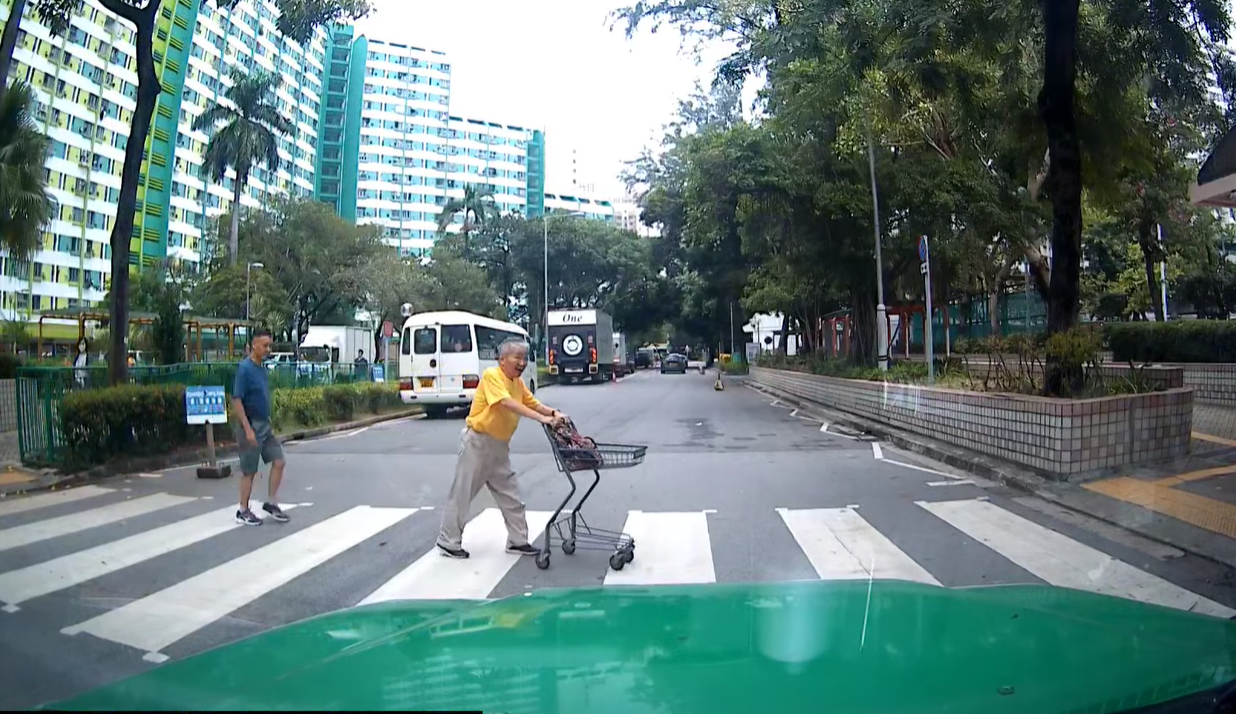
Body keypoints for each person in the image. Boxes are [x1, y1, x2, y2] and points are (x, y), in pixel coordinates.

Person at [437, 337, 567, 559]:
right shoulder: (492, 376)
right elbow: (506, 402)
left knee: (511, 495)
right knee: (462, 493)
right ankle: (448, 541)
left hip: (499, 447)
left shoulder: (518, 383)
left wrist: (554, 413)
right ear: (502, 359)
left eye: (524, 358)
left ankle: (518, 541)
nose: (522, 363)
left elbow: (532, 403)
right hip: (478, 443)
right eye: (518, 357)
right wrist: (542, 419)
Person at [231, 329, 290, 526]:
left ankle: (271, 502)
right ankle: (243, 510)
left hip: (265, 425)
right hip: (251, 424)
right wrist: (247, 429)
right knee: (249, 470)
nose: (268, 349)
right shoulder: (245, 369)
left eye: (269, 345)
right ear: (254, 345)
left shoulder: (261, 369)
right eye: (265, 345)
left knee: (279, 461)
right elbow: (237, 399)